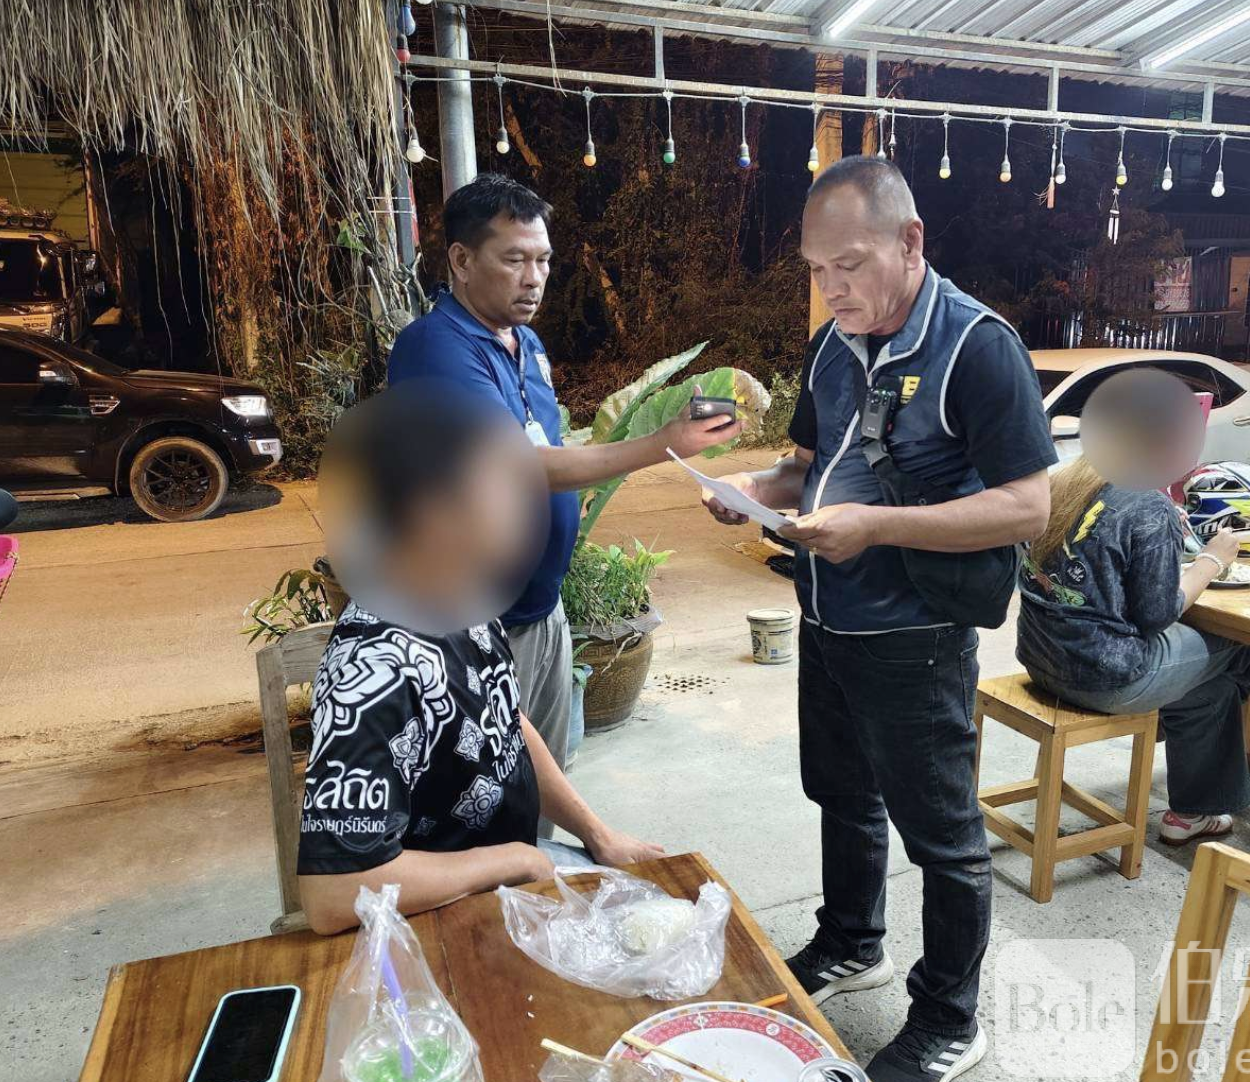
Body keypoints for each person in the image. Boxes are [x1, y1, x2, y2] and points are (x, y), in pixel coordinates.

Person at [700, 157, 1057, 1082]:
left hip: (915, 635)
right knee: (842, 795)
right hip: (827, 619)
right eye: (817, 270)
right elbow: (806, 468)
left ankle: (948, 1019)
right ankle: (853, 941)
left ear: (911, 242)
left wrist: (876, 527)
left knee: (943, 838)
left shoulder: (977, 346)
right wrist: (752, 489)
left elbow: (1028, 507)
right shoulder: (832, 344)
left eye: (850, 265)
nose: (833, 288)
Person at [387, 174, 740, 818]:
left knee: (543, 788)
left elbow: (547, 443)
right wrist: (660, 443)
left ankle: (540, 875)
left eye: (544, 260)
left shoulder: (526, 345)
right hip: (473, 625)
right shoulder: (433, 348)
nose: (535, 278)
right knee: (480, 802)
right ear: (461, 260)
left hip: (539, 610)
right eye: (514, 259)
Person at [297, 387, 663, 936]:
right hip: (431, 922)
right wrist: (514, 861)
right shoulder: (374, 669)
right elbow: (332, 896)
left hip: (506, 879)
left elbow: (506, 723)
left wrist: (597, 834)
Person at [1017, 454, 1250, 844]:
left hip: (1041, 660)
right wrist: (1213, 560)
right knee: (1239, 643)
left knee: (1214, 688)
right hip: (1105, 678)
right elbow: (1157, 614)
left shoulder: (1064, 483)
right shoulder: (1147, 504)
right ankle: (1185, 781)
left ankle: (1191, 809)